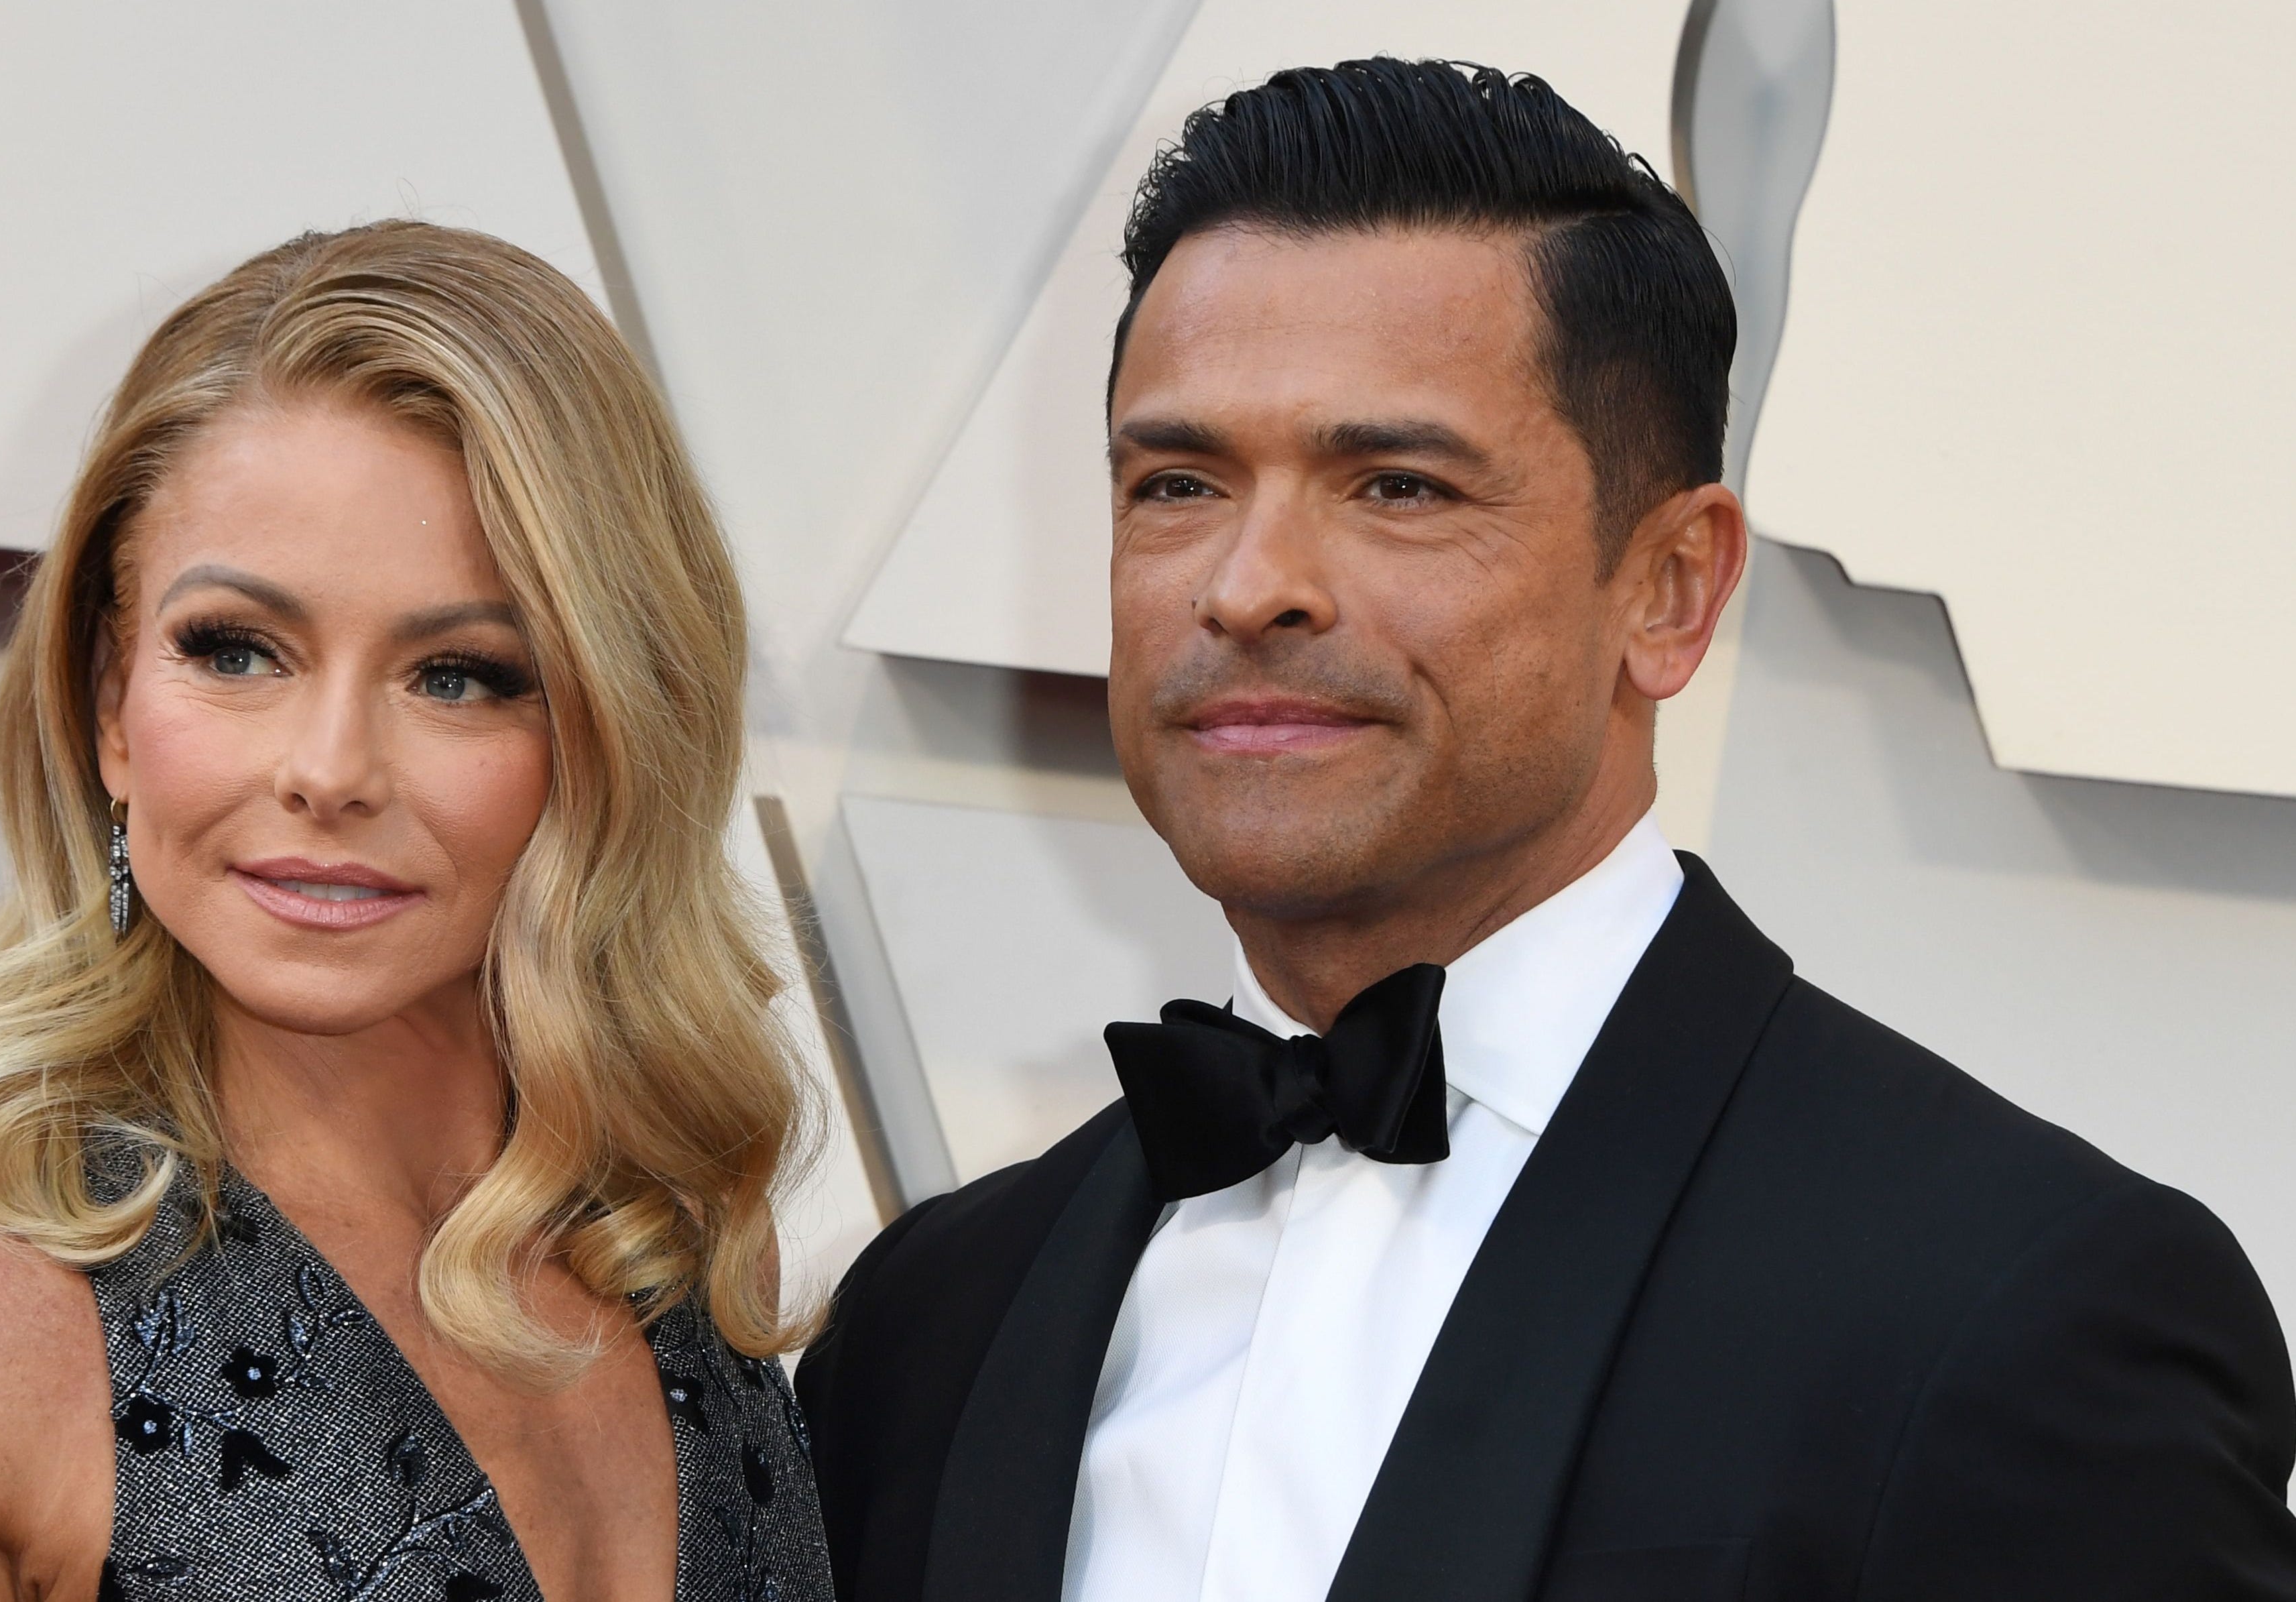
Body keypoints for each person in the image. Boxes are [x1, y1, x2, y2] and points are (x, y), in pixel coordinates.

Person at [795, 58, 2296, 1601]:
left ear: (1669, 589)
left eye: (1397, 485)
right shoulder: (928, 1330)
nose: (1248, 586)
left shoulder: (2015, 1306)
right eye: (1178, 481)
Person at [0, 220, 834, 1602]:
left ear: (606, 732)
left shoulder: (678, 1273)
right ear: (108, 706)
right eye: (237, 650)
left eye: (459, 674)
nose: (329, 771)